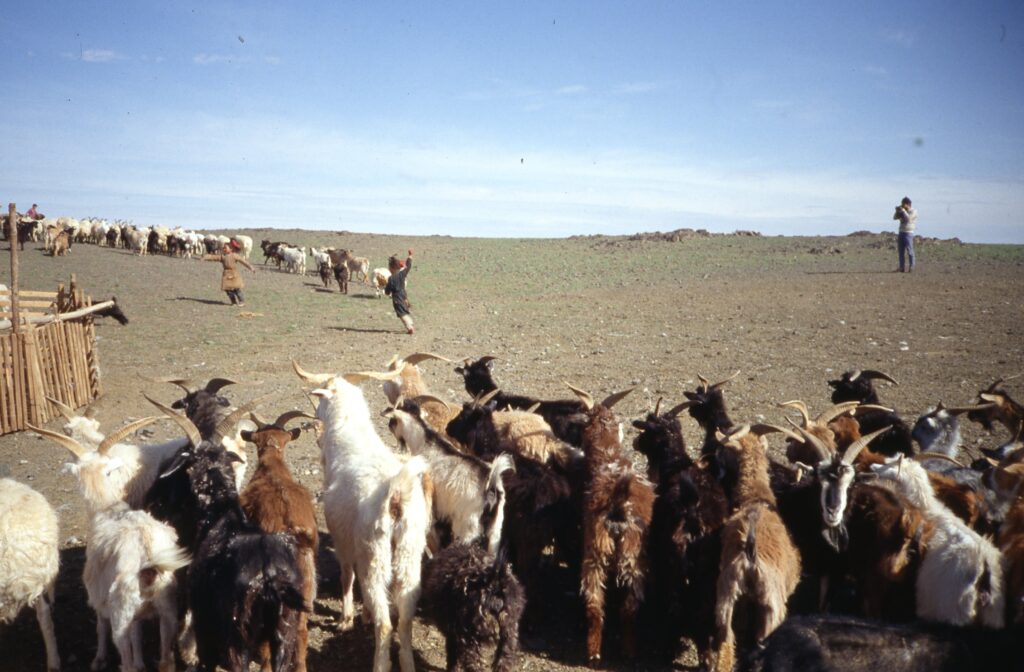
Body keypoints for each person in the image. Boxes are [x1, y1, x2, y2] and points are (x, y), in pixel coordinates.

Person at [203, 240, 254, 306]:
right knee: (228, 290)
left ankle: (242, 301)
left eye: (225, 248)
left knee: (236, 289)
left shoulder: (235, 255)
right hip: (226, 274)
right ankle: (233, 302)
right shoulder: (222, 256)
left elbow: (243, 261)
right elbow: (214, 257)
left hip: (234, 274)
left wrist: (251, 267)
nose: (224, 249)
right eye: (223, 248)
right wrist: (206, 257)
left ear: (231, 249)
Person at [385, 249, 415, 334]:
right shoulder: (402, 274)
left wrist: (386, 291)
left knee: (401, 314)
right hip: (404, 295)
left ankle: (410, 327)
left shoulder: (391, 278)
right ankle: (411, 323)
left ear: (391, 268)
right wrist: (410, 256)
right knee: (404, 311)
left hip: (397, 298)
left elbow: (387, 291)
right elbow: (408, 266)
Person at [892, 196, 917, 273]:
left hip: (908, 233)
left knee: (910, 251)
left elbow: (908, 219)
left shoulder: (913, 211)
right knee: (901, 251)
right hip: (901, 232)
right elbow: (894, 218)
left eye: (903, 204)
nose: (902, 206)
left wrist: (903, 211)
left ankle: (911, 267)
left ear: (908, 204)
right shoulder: (903, 211)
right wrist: (897, 211)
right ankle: (901, 267)